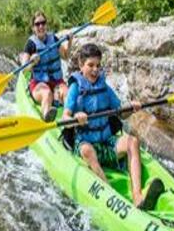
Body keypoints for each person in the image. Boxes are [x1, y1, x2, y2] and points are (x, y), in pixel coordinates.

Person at [63, 43, 164, 210]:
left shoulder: (104, 87)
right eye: (90, 65)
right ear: (81, 65)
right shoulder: (75, 88)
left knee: (132, 141)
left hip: (107, 142)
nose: (95, 70)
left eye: (98, 65)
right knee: (87, 150)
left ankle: (138, 196)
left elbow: (120, 112)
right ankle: (112, 197)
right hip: (86, 144)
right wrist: (75, 117)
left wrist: (131, 108)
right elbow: (65, 116)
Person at [20, 11, 71, 122]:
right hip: (39, 83)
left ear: (46, 24)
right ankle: (46, 116)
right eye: (37, 24)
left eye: (43, 23)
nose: (41, 26)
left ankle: (68, 121)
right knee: (47, 93)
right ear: (33, 28)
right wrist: (32, 62)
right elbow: (24, 69)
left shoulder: (54, 39)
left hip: (56, 82)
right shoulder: (31, 44)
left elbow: (66, 56)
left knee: (67, 93)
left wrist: (69, 42)